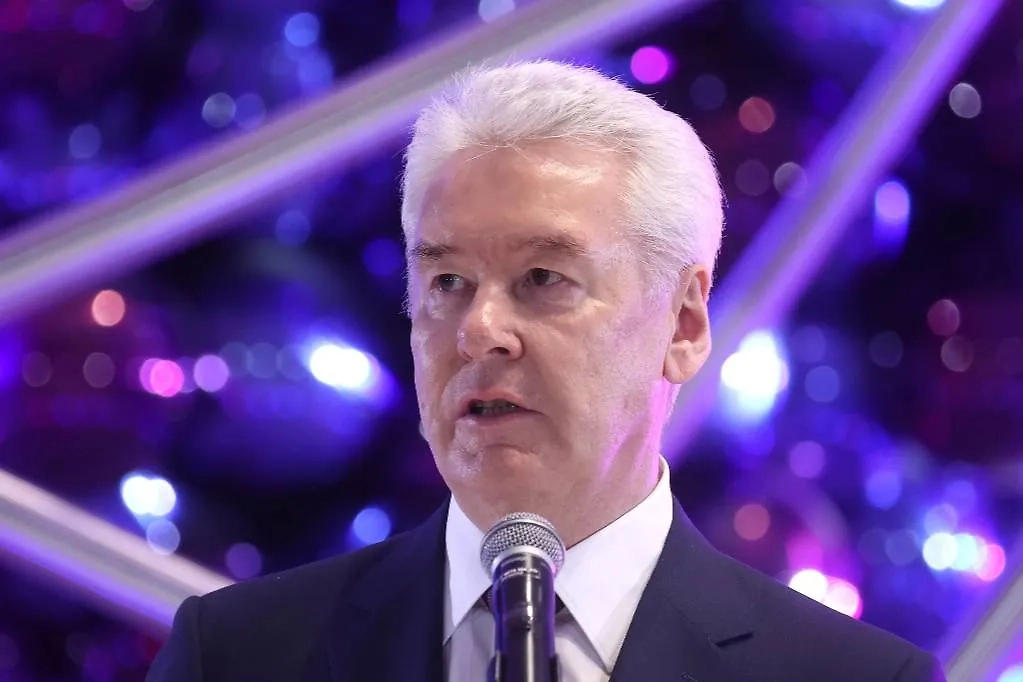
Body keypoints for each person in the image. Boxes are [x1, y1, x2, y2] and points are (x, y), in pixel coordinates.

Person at [147, 60, 946, 682]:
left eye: (541, 279)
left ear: (683, 323)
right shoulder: (238, 657)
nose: (479, 331)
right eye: (446, 283)